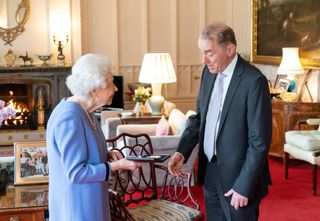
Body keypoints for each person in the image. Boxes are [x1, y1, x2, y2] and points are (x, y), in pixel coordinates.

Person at [168, 23, 272, 221]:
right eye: (202, 52)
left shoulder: (254, 81)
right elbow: (200, 119)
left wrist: (244, 186)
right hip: (210, 170)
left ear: (230, 49)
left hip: (239, 179)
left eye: (209, 53)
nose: (204, 59)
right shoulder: (209, 73)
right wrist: (182, 152)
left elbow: (259, 142)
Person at [47, 54, 141, 221]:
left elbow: (86, 151)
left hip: (90, 200)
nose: (116, 88)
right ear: (94, 90)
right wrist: (116, 166)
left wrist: (108, 153)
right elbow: (76, 173)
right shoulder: (70, 117)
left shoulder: (86, 112)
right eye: (110, 83)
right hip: (77, 208)